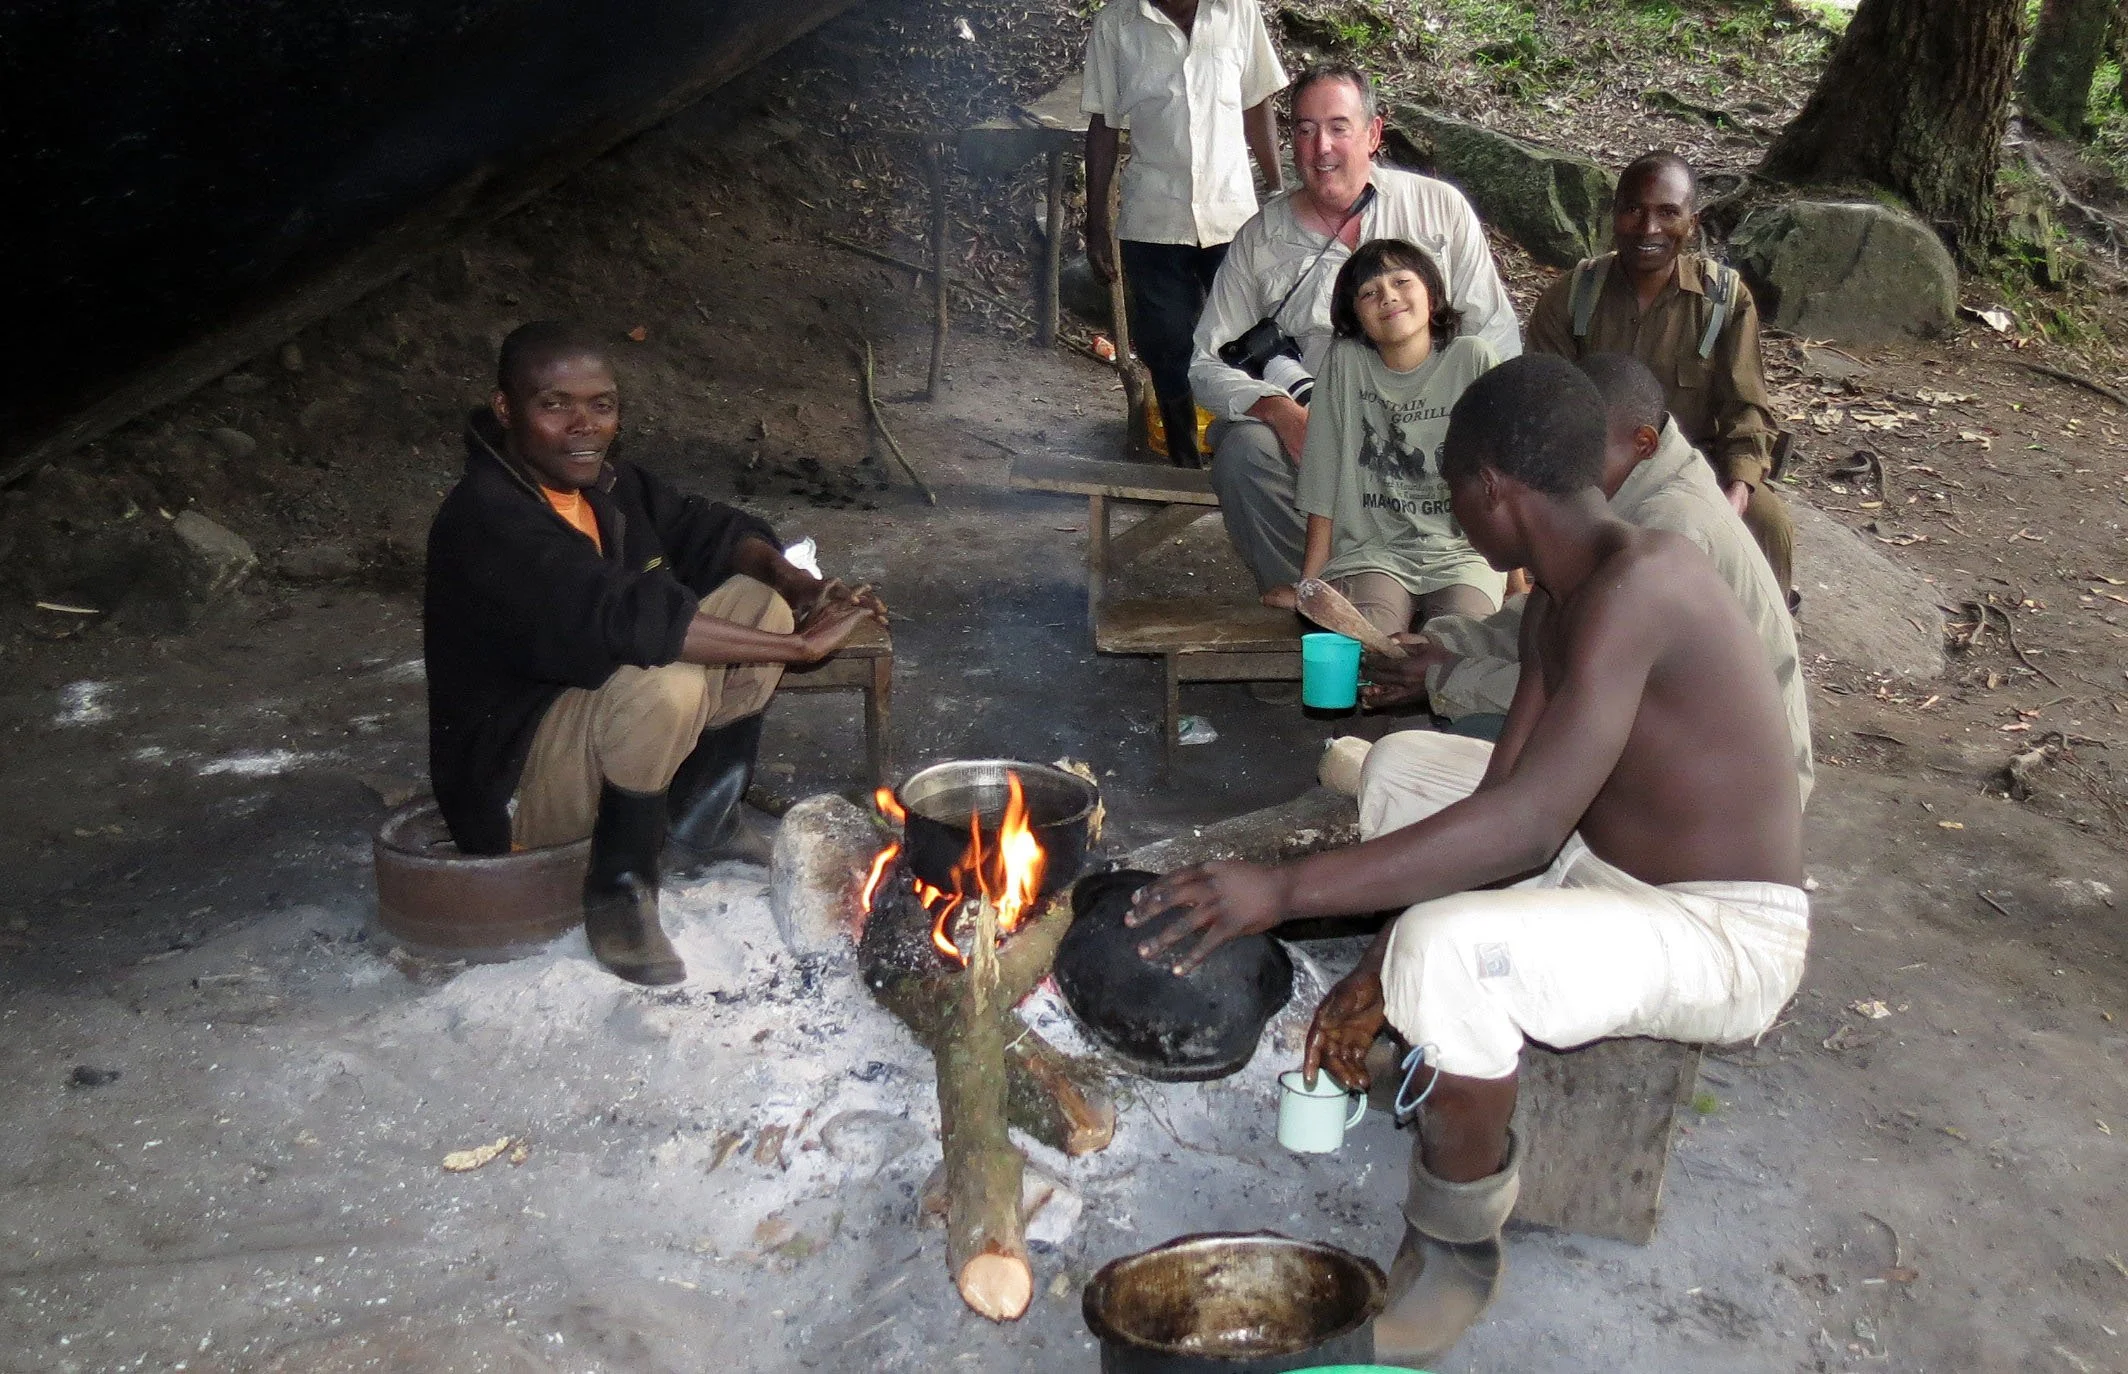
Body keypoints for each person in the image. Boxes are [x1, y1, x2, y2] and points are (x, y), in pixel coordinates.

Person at [1125, 355, 1808, 1365]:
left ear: (1491, 488)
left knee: (1447, 953)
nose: (1453, 512)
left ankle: (1451, 1257)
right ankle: (1433, 1039)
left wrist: (1282, 891)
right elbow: (1502, 799)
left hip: (1721, 929)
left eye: (1452, 489)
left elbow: (1526, 830)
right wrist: (1374, 965)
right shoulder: (1565, 596)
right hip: (1600, 859)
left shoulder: (1644, 584)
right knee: (1404, 769)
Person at [425, 321, 884, 987]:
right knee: (665, 685)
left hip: (587, 722)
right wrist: (802, 646)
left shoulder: (602, 486)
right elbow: (625, 614)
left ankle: (705, 815)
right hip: (518, 785)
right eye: (554, 405)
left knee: (757, 603)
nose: (583, 426)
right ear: (505, 408)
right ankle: (619, 889)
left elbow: (707, 528)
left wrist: (796, 584)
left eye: (601, 405)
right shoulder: (488, 520)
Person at [1366, 353, 1813, 805]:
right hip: (1669, 746)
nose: (1563, 465)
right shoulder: (1614, 506)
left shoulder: (1669, 532)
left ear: (1643, 443)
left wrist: (1447, 677)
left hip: (1732, 791)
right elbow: (1545, 632)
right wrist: (1450, 643)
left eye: (1583, 449)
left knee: (1461, 743)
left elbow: (1580, 688)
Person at [1189, 63, 1520, 595]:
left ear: (1373, 133)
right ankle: (1318, 596)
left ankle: (1446, 589)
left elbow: (1496, 338)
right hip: (1319, 433)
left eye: (1338, 127)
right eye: (1304, 129)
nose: (1321, 147)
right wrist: (1278, 410)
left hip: (1434, 436)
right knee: (1244, 449)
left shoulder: (1438, 210)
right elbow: (1206, 363)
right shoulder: (1260, 240)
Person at [1526, 150, 1796, 600]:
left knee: (1768, 524)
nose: (1648, 228)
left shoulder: (1723, 302)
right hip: (1597, 475)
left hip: (1699, 470)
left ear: (1692, 222)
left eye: (1668, 212)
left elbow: (1746, 408)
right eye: (1634, 210)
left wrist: (1738, 490)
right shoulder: (1573, 297)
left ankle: (1768, 632)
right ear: (1614, 215)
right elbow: (1543, 407)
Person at [1260, 238, 1504, 635]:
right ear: (1354, 316)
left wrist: (1518, 581)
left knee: (1461, 639)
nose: (1388, 297)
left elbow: (1505, 476)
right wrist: (1309, 586)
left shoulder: (1472, 359)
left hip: (1463, 553)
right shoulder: (1345, 363)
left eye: (1401, 282)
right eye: (1369, 293)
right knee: (1372, 635)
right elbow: (1324, 479)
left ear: (1432, 294)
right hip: (1373, 553)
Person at [1082, 0, 1288, 467]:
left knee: (1251, 341)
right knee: (1168, 347)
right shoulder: (1117, 24)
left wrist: (1276, 193)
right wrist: (1096, 224)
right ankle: (1184, 466)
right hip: (1155, 220)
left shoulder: (1237, 11)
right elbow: (1103, 125)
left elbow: (1256, 101)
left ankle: (1254, 461)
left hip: (1233, 217)